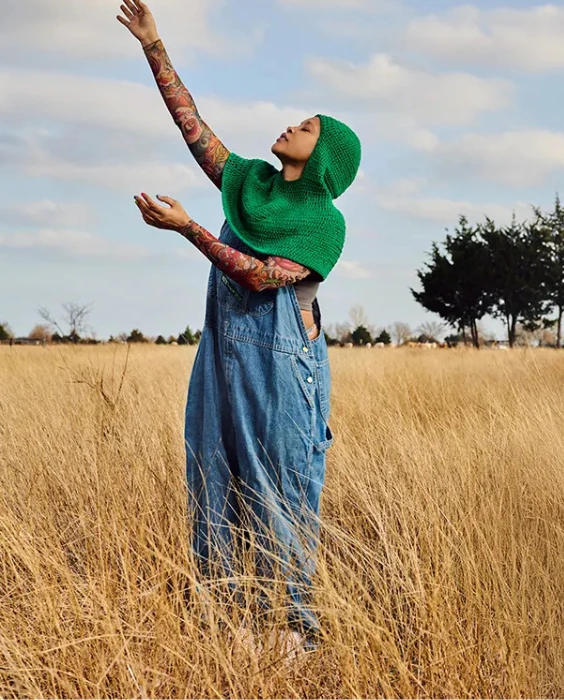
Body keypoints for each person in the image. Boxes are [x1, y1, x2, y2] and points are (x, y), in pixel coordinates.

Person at [117, 0, 361, 661]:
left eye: (306, 127)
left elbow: (259, 276)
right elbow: (194, 127)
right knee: (214, 475)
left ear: (324, 156)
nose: (291, 125)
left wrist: (189, 228)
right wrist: (154, 45)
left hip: (284, 362)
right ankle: (233, 623)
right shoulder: (249, 183)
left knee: (278, 483)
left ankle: (292, 630)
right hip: (222, 354)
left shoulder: (324, 225)